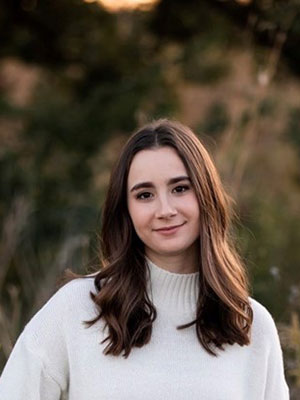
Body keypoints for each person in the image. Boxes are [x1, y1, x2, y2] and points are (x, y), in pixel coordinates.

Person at [0, 118, 290, 399]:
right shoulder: (78, 308)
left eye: (180, 189)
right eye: (144, 195)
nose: (165, 209)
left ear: (206, 195)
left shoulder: (249, 325)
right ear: (125, 210)